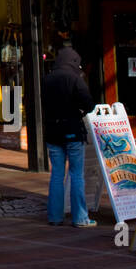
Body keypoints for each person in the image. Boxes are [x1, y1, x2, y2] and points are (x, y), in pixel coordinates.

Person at [42, 43, 96, 227]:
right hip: (73, 130)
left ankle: (55, 217)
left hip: (52, 132)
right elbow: (89, 104)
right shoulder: (75, 78)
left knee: (56, 174)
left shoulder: (47, 79)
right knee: (76, 175)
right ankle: (80, 217)